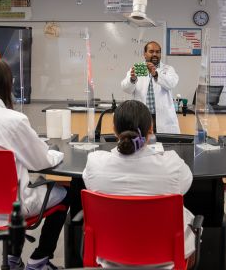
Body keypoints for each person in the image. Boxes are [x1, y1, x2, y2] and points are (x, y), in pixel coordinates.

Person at [0, 58, 67, 270]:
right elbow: (40, 160)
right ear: (8, 84)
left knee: (26, 187)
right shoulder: (13, 120)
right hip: (11, 207)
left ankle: (13, 259)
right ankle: (39, 258)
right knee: (66, 192)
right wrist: (56, 153)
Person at [83, 100, 195, 267]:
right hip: (167, 263)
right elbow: (185, 185)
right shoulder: (172, 165)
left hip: (110, 260)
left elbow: (89, 184)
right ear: (151, 130)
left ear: (114, 130)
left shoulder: (95, 163)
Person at [121, 41, 180, 133]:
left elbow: (172, 84)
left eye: (158, 52)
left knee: (165, 145)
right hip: (142, 117)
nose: (155, 54)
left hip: (162, 118)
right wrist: (132, 79)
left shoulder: (168, 69)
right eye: (151, 51)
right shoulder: (138, 69)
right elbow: (126, 88)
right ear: (145, 54)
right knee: (142, 144)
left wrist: (156, 74)